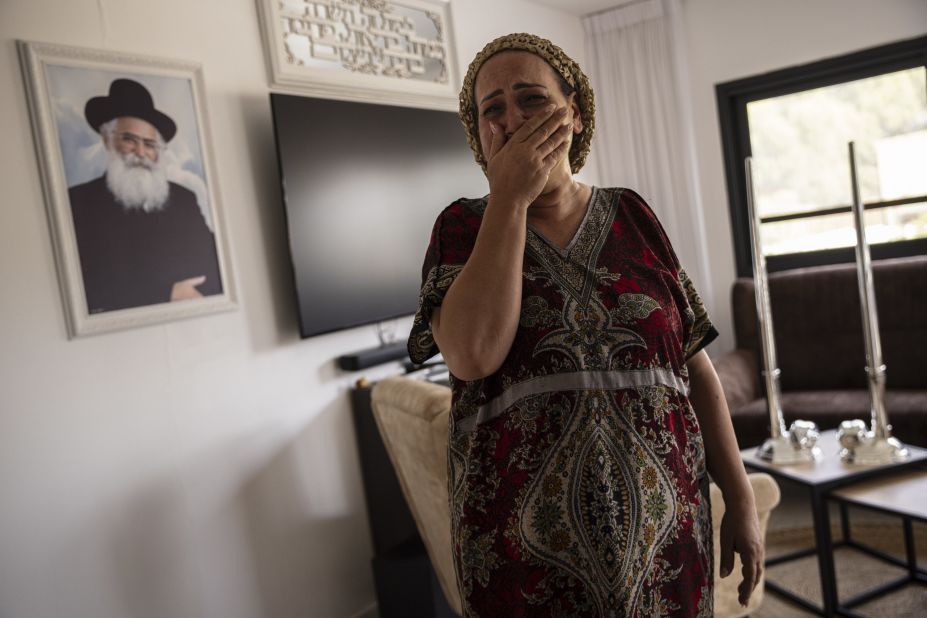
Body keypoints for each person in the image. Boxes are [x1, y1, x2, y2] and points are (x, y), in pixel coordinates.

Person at [407, 33, 762, 617]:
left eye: (531, 99)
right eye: (491, 109)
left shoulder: (635, 215)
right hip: (526, 566)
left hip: (667, 547)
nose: (512, 118)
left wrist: (741, 498)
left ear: (572, 112)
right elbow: (472, 354)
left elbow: (694, 365)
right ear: (479, 134)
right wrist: (510, 199)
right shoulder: (461, 229)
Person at [67, 78, 222, 314]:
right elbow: (88, 288)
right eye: (130, 140)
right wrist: (165, 294)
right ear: (107, 140)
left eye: (150, 144)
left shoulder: (184, 199)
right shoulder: (78, 202)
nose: (141, 152)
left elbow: (215, 267)